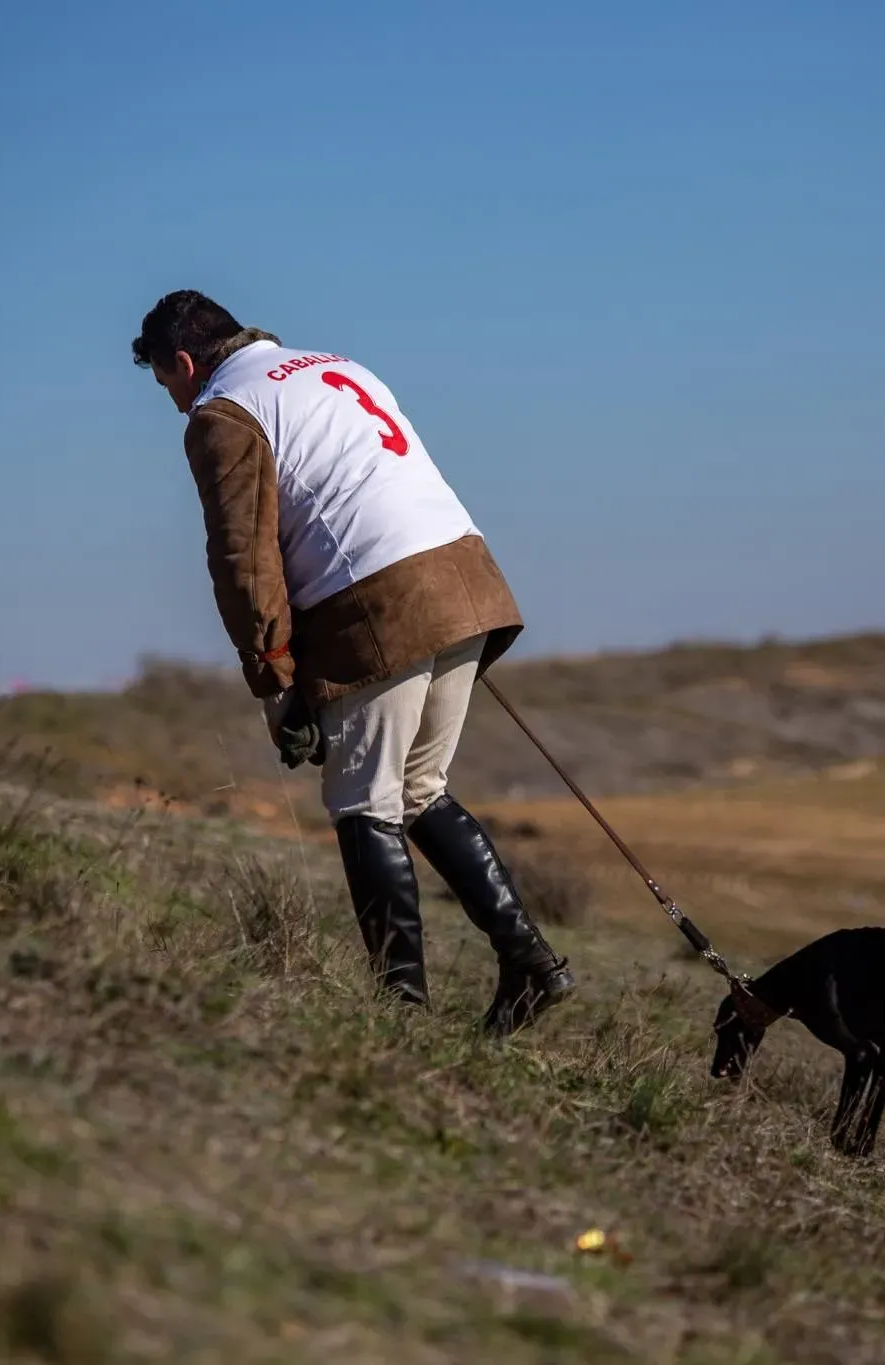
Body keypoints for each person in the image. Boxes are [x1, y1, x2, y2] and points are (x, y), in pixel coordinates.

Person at [131, 289, 575, 1037]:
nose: (175, 403)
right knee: (420, 790)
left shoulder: (223, 412)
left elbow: (244, 562)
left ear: (185, 361)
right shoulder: (337, 364)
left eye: (166, 383)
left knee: (364, 801)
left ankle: (400, 1017)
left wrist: (273, 679)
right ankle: (530, 964)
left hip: (378, 598)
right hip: (466, 577)